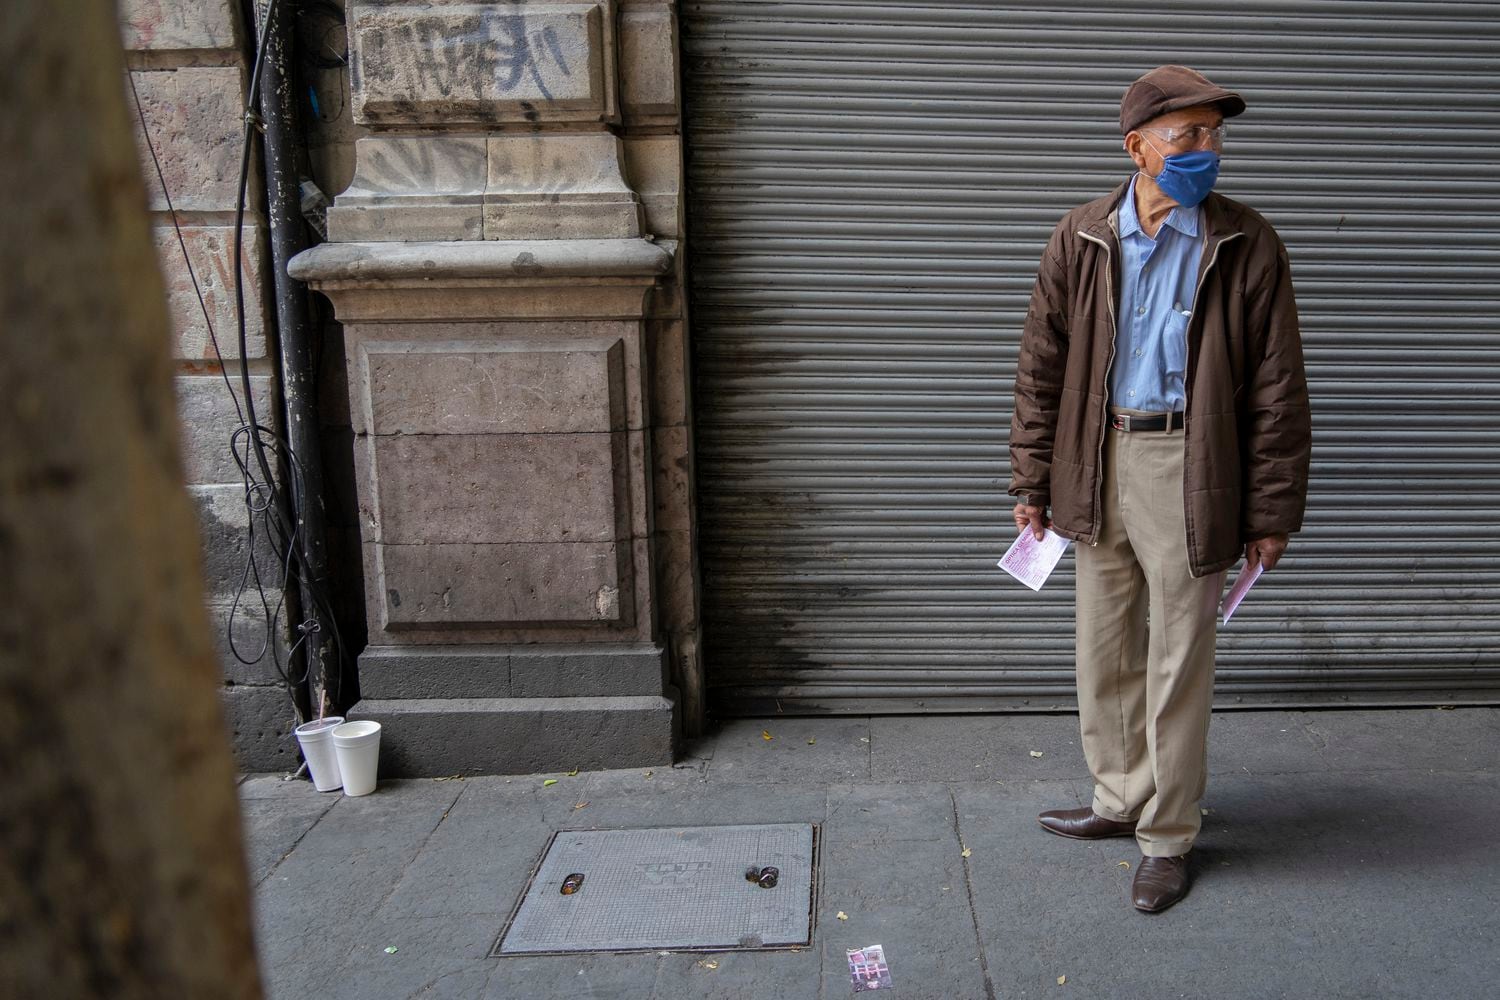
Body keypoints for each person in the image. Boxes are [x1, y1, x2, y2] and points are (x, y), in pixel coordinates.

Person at [1008, 65, 1312, 913]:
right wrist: (1032, 478)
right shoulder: (1082, 237)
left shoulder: (1248, 243)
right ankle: (1119, 798)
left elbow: (1278, 389)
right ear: (1137, 146)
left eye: (1215, 135)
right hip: (1096, 459)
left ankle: (1168, 833)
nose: (1207, 150)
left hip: (1192, 465)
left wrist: (1270, 509)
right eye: (1189, 135)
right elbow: (1041, 370)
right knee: (1102, 649)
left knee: (1180, 659)